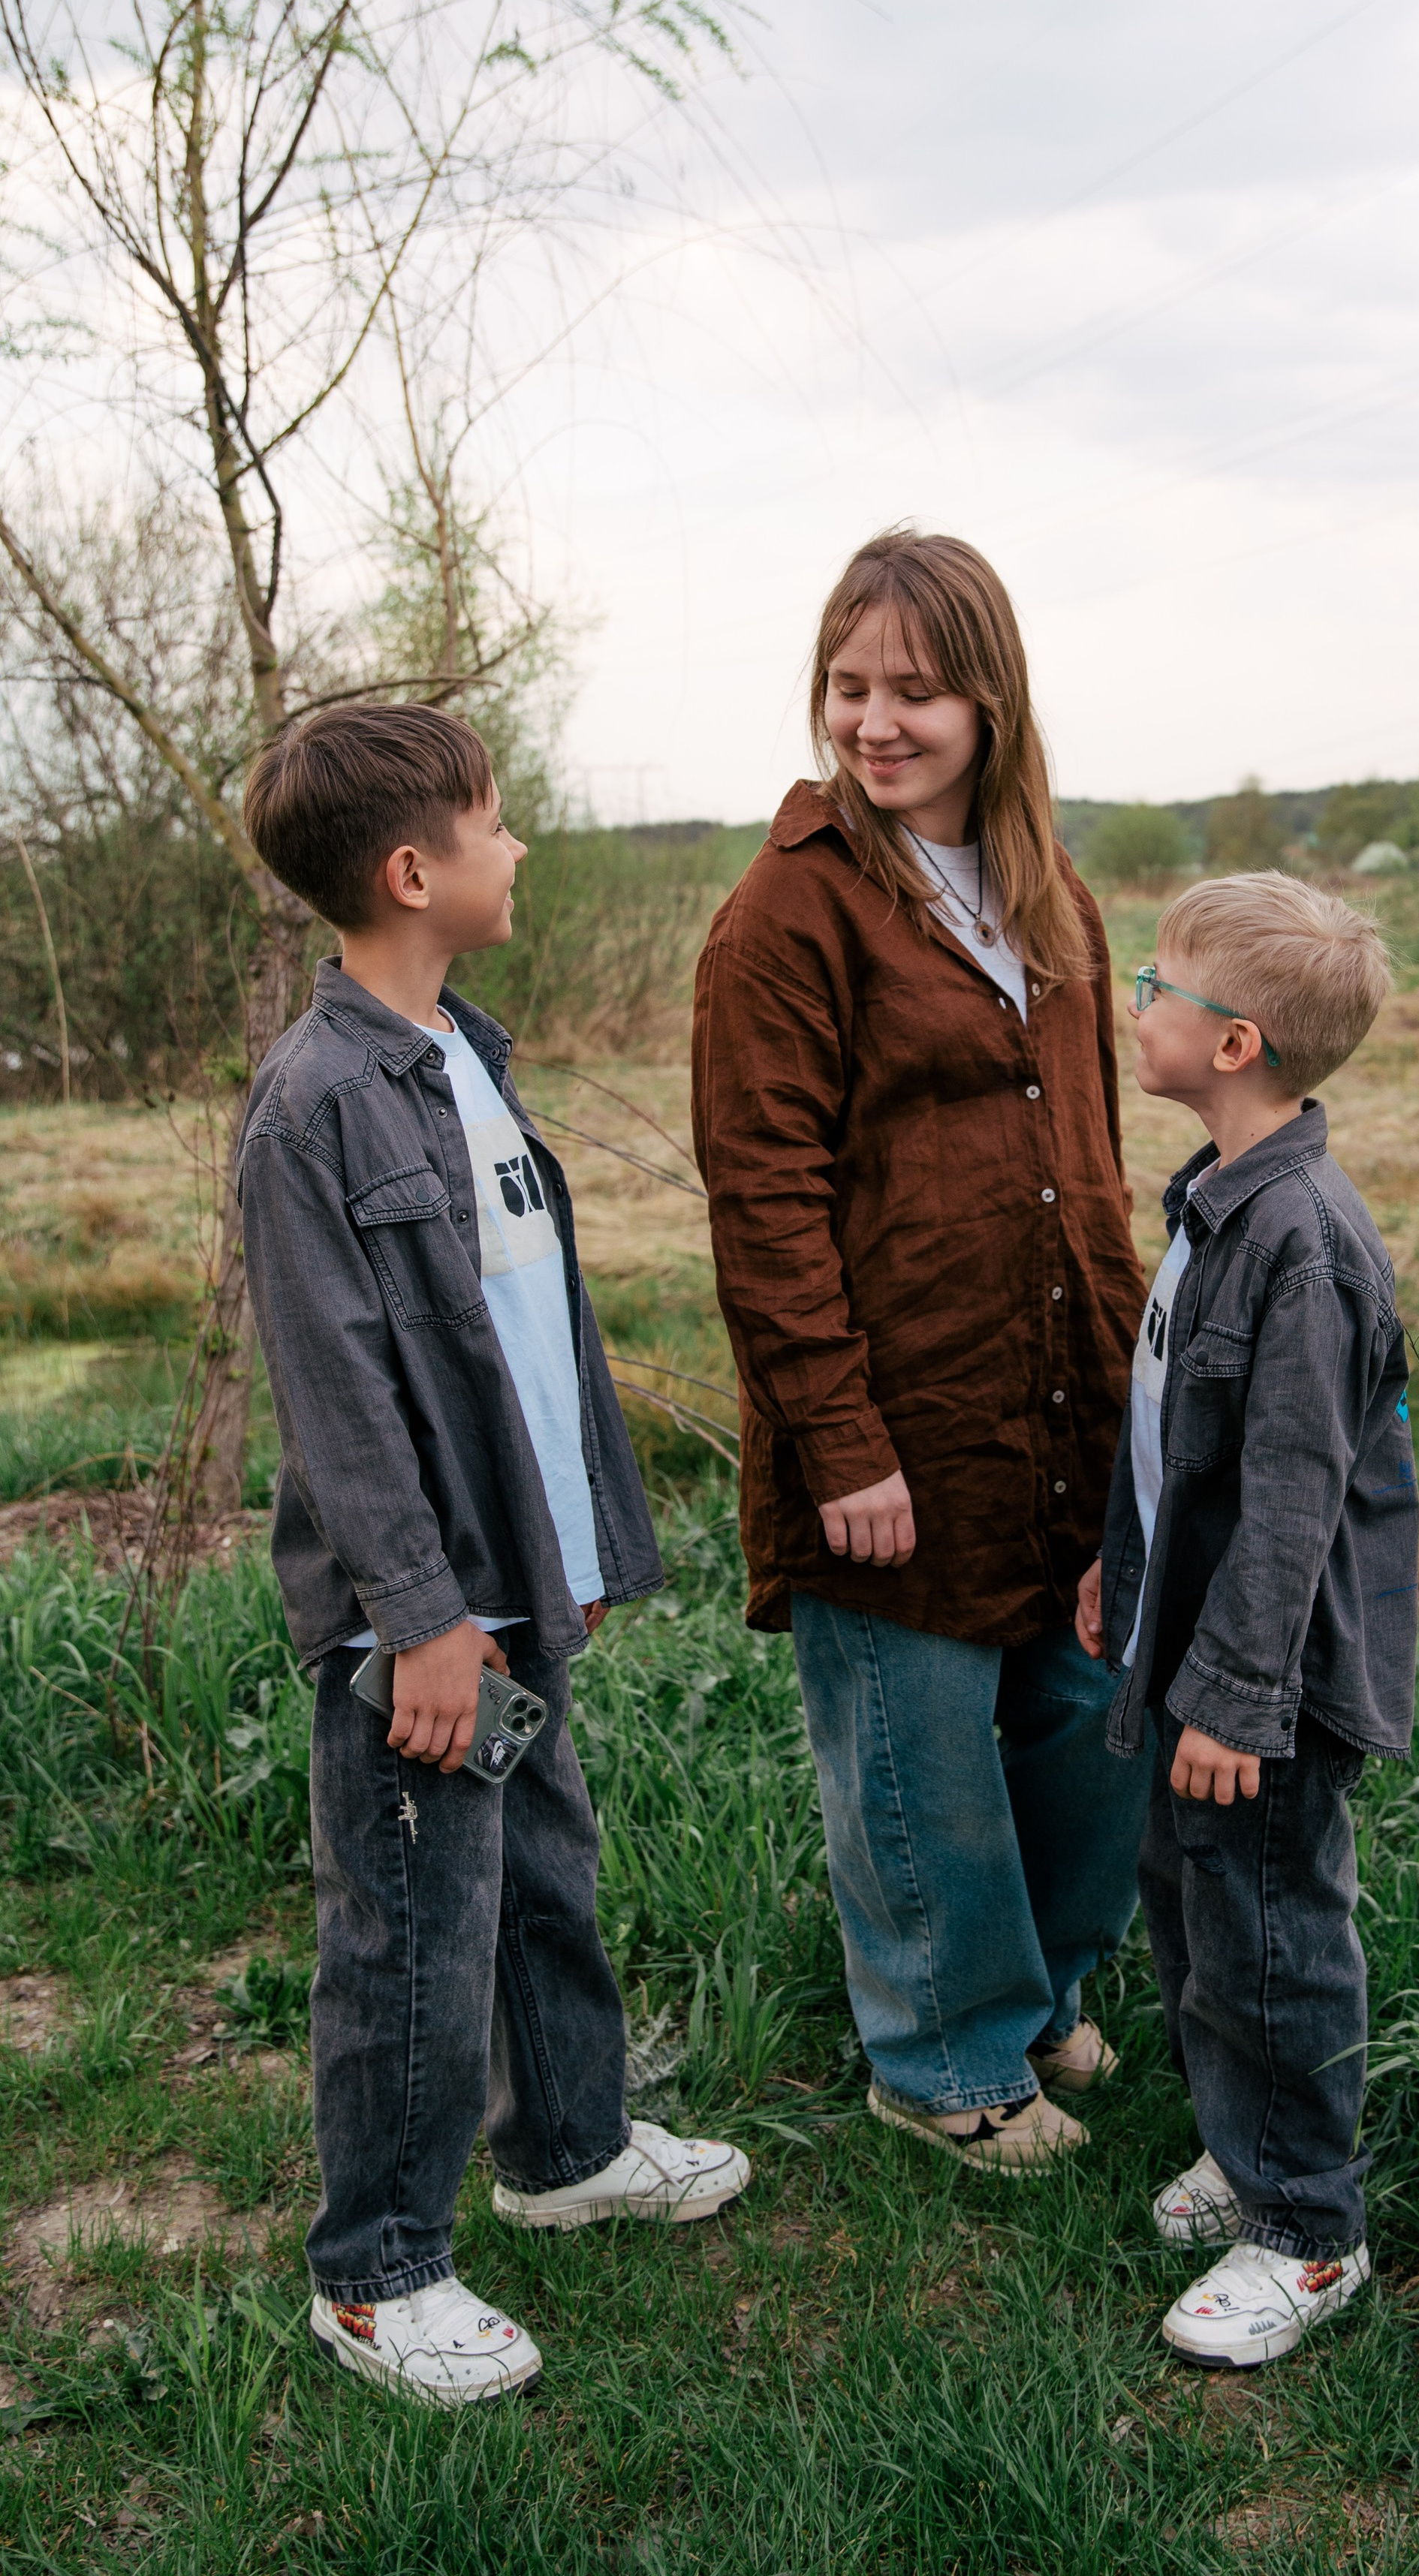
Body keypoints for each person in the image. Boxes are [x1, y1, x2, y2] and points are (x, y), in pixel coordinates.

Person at [237, 703, 751, 2407]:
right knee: (411, 1927)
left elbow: (526, 1332)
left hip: (515, 1577)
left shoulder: (463, 1052)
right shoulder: (311, 1108)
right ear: (413, 870)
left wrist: (569, 1542)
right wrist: (426, 1615)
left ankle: (568, 2148)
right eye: (495, 821)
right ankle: (379, 2274)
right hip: (425, 1616)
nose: (518, 844)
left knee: (541, 1868)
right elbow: (339, 1399)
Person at [691, 530, 1151, 2174]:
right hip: (896, 1416)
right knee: (925, 1752)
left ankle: (1038, 1994)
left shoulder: (1050, 895)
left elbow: (1094, 1164)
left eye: (913, 690)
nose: (872, 723)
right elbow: (763, 1201)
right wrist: (841, 1442)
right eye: (847, 686)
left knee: (1091, 1717)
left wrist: (1135, 1404)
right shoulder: (788, 915)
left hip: (1061, 1401)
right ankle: (943, 2059)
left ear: (988, 702)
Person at [1074, 871, 1419, 2366]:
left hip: (1263, 1676)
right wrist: (1124, 1567)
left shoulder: (1304, 1244)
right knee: (1199, 1905)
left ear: (1234, 1045)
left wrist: (1228, 1698)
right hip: (1196, 1639)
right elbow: (1171, 1431)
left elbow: (1289, 1502)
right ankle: (1246, 2141)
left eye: (1158, 984)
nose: (1135, 1003)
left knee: (1271, 1930)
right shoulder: (1214, 1202)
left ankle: (1306, 2227)